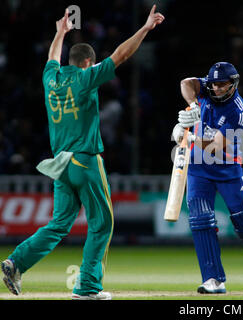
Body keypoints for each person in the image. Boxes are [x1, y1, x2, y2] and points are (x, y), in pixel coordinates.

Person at [1, 6, 164, 300]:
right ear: (88, 63)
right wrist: (145, 29)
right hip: (85, 160)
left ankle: (17, 261)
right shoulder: (85, 79)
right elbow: (121, 55)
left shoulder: (51, 79)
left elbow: (52, 57)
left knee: (59, 223)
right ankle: (87, 287)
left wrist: (59, 32)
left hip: (60, 164)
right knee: (102, 223)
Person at [172, 62, 243, 293]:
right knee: (201, 220)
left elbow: (217, 146)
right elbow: (186, 83)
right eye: (214, 84)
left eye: (223, 84)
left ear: (233, 84)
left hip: (227, 169)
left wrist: (189, 139)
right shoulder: (204, 88)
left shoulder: (238, 111)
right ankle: (213, 280)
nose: (218, 88)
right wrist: (192, 106)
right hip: (199, 170)